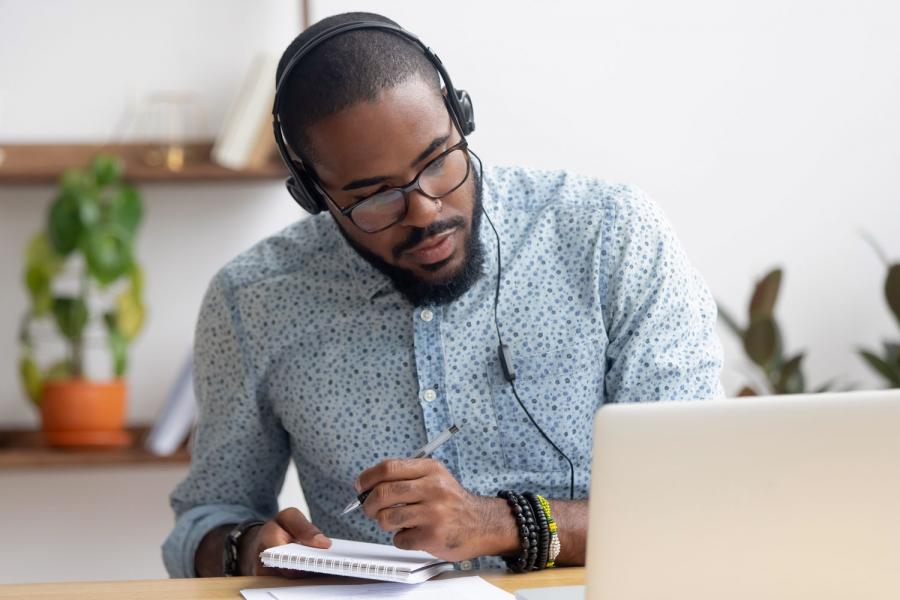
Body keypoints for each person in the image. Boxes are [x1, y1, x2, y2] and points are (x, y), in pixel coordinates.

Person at [162, 11, 723, 578]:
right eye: (374, 196)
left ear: (462, 118)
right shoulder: (252, 300)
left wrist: (499, 523)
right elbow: (204, 520)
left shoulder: (611, 236)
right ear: (313, 195)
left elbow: (700, 502)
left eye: (437, 161)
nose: (425, 210)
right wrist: (247, 547)